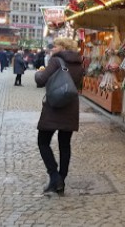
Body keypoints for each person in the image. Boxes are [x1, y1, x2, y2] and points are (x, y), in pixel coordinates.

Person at [34, 37, 84, 195]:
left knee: (43, 142)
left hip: (54, 108)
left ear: (62, 47)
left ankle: (54, 176)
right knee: (65, 145)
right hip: (70, 107)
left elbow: (41, 80)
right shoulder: (79, 63)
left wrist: (39, 72)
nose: (52, 48)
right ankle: (61, 179)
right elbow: (79, 85)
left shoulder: (56, 61)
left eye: (55, 45)